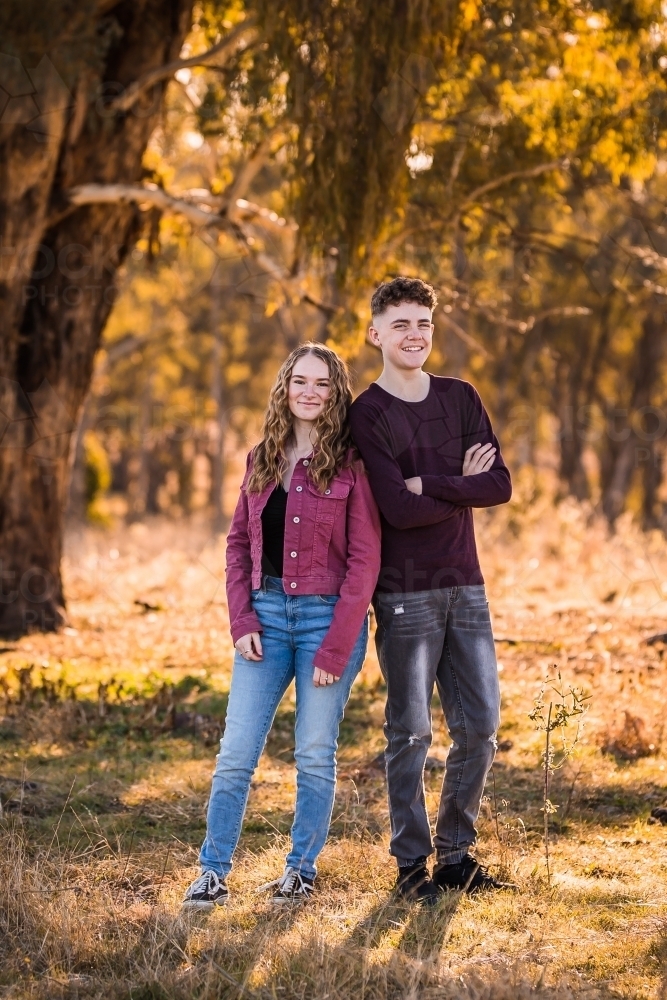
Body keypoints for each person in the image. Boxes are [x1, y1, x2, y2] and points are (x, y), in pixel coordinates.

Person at [183, 343, 381, 910]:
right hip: (263, 621)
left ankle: (301, 870)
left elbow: (365, 562)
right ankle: (212, 871)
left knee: (314, 752)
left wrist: (337, 647)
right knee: (236, 752)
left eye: (322, 383)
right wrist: (241, 617)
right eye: (300, 382)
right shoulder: (261, 459)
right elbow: (238, 543)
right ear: (285, 388)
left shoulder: (351, 465)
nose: (310, 392)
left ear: (336, 392)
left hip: (326, 622)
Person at [349, 276, 514, 904]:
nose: (414, 335)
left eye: (422, 323)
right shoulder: (369, 412)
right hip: (404, 593)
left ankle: (456, 856)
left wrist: (428, 484)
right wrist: (452, 483)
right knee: (411, 730)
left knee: (480, 729)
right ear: (376, 334)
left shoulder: (461, 396)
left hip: (465, 585)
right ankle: (410, 865)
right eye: (400, 325)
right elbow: (394, 508)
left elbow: (498, 484)